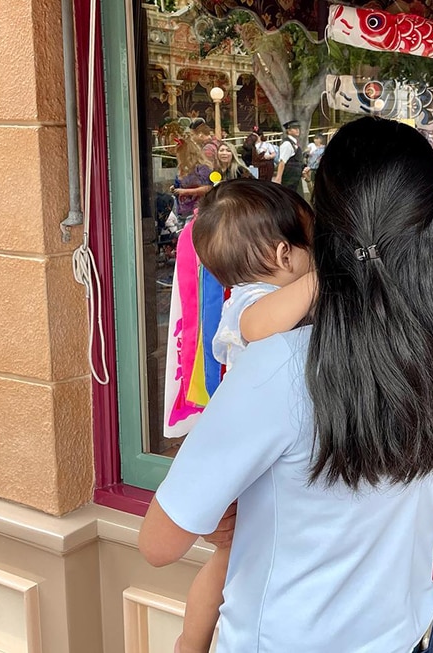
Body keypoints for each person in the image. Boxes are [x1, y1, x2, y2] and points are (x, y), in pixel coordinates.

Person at [139, 116, 433, 653]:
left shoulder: (279, 364)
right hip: (405, 632)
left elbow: (159, 544)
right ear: (432, 225)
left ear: (327, 228)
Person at [165, 179, 316, 653]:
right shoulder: (250, 302)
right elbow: (259, 325)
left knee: (236, 556)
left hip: (258, 447)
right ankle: (191, 642)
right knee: (226, 558)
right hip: (244, 452)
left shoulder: (274, 298)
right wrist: (327, 275)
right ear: (284, 254)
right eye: (313, 247)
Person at [274, 120, 306, 194]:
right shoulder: (287, 144)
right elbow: (282, 162)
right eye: (294, 128)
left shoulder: (294, 143)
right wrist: (278, 178)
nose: (297, 130)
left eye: (298, 128)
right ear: (288, 131)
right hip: (289, 180)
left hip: (295, 179)